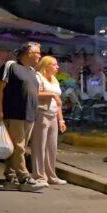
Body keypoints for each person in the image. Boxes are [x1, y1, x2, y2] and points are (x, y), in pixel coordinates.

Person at [0, 42, 47, 192]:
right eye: (38, 53)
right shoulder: (11, 66)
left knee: (19, 147)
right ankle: (24, 177)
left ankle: (10, 176)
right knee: (18, 146)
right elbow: (0, 88)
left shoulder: (32, 71)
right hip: (14, 112)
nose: (39, 56)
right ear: (28, 53)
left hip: (29, 114)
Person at [30, 56, 67, 185]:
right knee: (39, 146)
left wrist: (61, 120)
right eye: (54, 64)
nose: (57, 67)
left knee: (52, 147)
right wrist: (52, 95)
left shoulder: (55, 80)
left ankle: (51, 174)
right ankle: (39, 176)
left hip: (53, 115)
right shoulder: (38, 77)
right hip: (41, 113)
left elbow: (58, 103)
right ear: (46, 65)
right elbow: (35, 93)